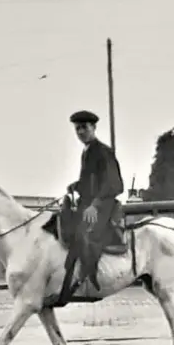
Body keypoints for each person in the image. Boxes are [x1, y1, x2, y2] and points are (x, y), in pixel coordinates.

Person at [54, 110, 126, 306]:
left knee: (86, 234)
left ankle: (89, 278)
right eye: (77, 129)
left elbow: (113, 183)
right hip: (89, 204)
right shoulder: (87, 152)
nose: (81, 132)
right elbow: (91, 181)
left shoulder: (103, 151)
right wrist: (76, 186)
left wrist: (95, 204)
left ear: (94, 128)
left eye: (84, 127)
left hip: (104, 204)